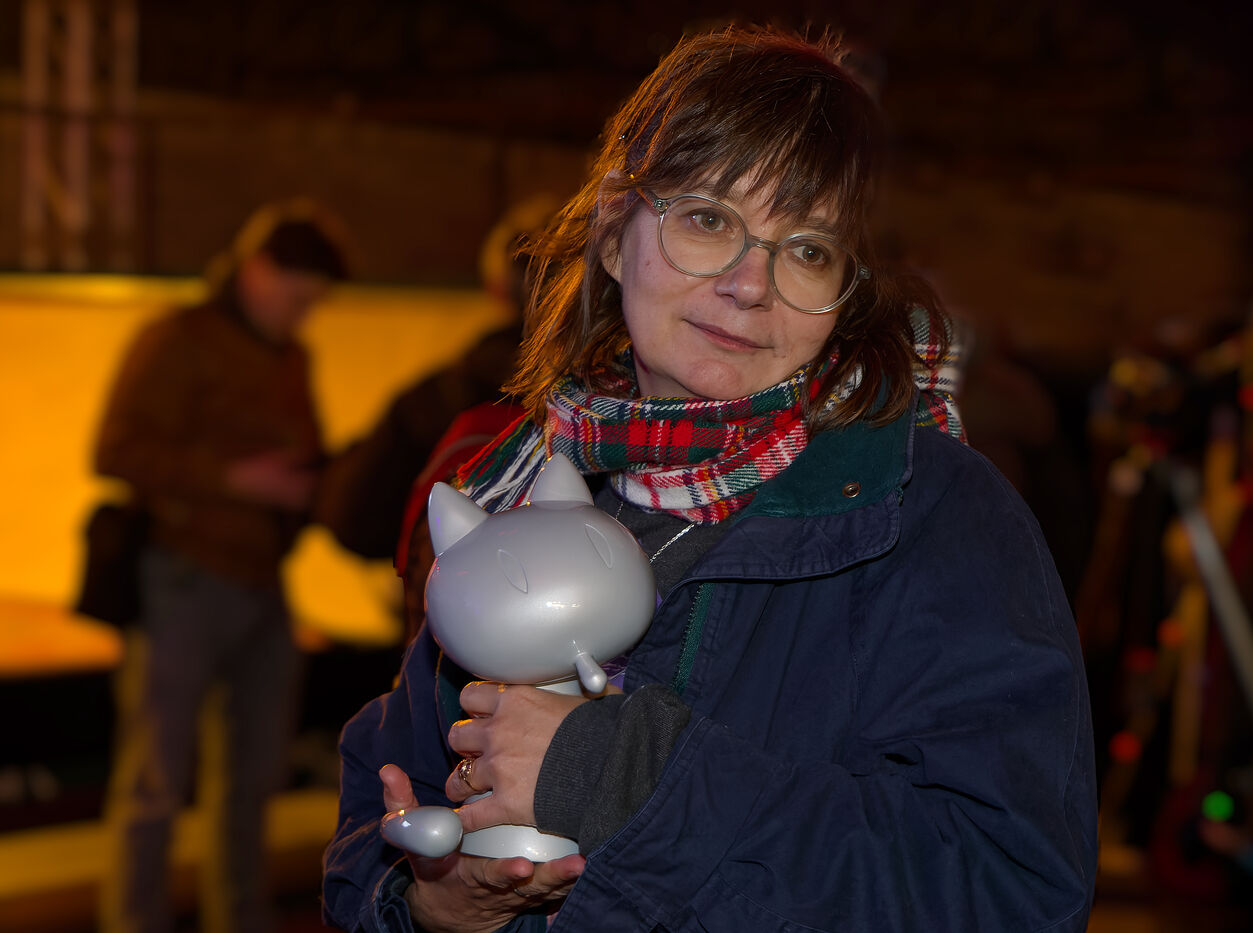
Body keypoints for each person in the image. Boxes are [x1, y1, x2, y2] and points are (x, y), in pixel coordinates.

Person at [323, 25, 1097, 933]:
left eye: (807, 248)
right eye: (708, 219)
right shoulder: (520, 488)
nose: (750, 285)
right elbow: (380, 802)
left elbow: (1008, 891)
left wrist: (627, 780)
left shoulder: (933, 515)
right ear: (615, 232)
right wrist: (428, 904)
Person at [95, 198, 348, 933]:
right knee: (156, 782)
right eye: (297, 298)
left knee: (253, 780)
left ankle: (240, 917)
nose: (303, 316)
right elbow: (116, 449)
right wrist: (239, 480)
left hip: (262, 582)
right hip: (182, 577)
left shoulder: (291, 356)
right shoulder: (178, 339)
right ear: (258, 272)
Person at [315, 195, 555, 565]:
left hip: (471, 587)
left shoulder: (448, 393)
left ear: (498, 289)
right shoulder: (626, 390)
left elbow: (356, 515)